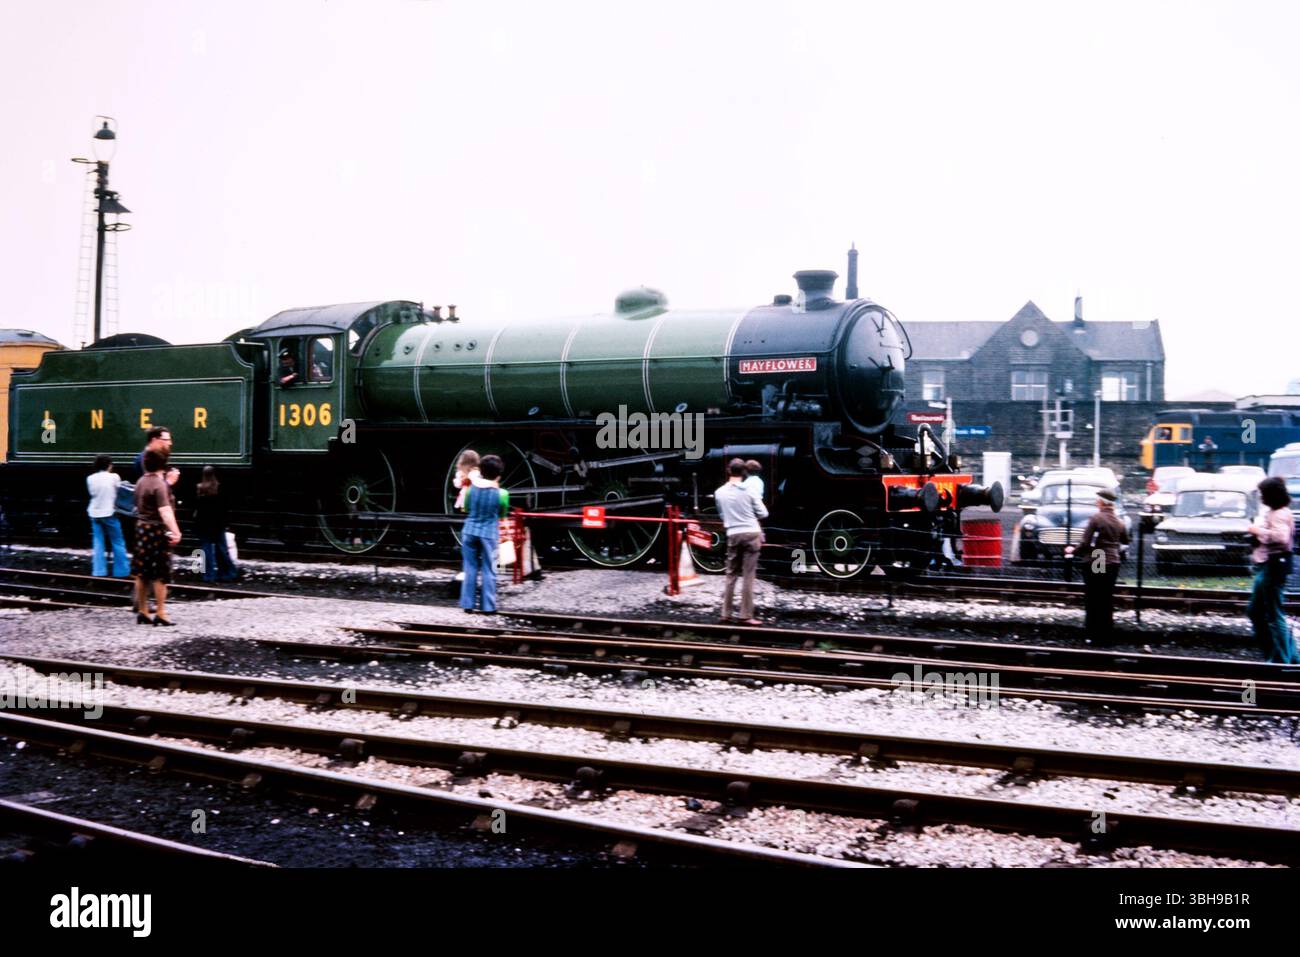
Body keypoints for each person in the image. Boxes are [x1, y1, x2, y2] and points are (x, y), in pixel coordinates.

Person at [1065, 488, 1130, 645]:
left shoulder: (1096, 519)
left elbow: (1086, 542)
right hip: (1113, 561)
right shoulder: (1119, 521)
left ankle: (1093, 636)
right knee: (1106, 599)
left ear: (1102, 502)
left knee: (1093, 598)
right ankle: (1106, 636)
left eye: (1097, 500)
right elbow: (1126, 541)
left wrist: (1072, 549)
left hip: (1098, 559)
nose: (1096, 502)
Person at [1246, 477, 1297, 663]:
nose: (1261, 498)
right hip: (1267, 566)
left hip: (1273, 567)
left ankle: (1283, 661)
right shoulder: (1273, 512)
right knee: (1255, 611)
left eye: (1264, 494)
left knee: (1274, 614)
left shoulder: (1279, 514)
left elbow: (1281, 538)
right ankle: (1281, 656)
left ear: (1271, 495)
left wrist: (1257, 531)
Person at [132, 449, 183, 626]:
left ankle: (143, 610)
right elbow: (165, 511)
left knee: (142, 572)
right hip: (157, 531)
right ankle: (161, 612)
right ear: (163, 465)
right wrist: (176, 531)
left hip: (141, 529)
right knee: (161, 574)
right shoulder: (159, 484)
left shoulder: (140, 482)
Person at [716, 457, 768, 624]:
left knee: (730, 574)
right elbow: (763, 513)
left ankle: (725, 613)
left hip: (732, 533)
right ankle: (745, 615)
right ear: (744, 472)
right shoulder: (749, 490)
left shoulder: (719, 493)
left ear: (728, 470)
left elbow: (722, 515)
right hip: (751, 533)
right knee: (748, 576)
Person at [458, 453, 509, 614]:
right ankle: (488, 606)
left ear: (480, 470)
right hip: (489, 534)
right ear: (498, 475)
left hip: (469, 531)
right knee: (490, 568)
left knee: (470, 567)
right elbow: (502, 514)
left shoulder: (470, 490)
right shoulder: (502, 494)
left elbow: (465, 508)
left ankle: (467, 605)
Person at [86, 455, 130, 577]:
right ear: (109, 465)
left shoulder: (90, 478)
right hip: (109, 513)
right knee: (117, 541)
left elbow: (92, 493)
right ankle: (121, 571)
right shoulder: (114, 477)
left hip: (94, 513)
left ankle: (99, 571)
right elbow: (119, 492)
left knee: (98, 542)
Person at [194, 466, 239, 583]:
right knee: (222, 549)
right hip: (218, 524)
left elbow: (197, 508)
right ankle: (227, 573)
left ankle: (208, 575)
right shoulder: (219, 488)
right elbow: (225, 508)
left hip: (203, 523)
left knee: (206, 550)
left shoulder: (199, 488)